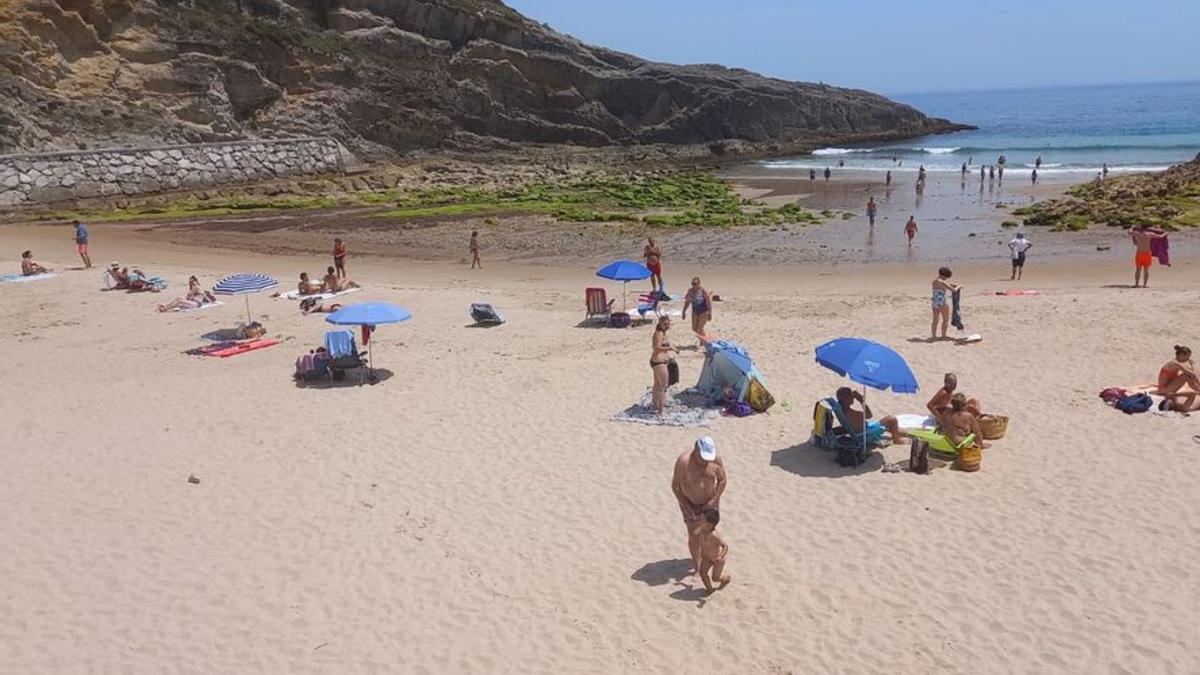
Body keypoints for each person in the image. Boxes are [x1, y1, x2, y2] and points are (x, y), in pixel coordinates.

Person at [671, 436, 727, 579]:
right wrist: (685, 506)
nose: (705, 462)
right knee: (694, 535)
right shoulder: (684, 462)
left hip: (710, 501)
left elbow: (722, 480)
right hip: (690, 503)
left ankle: (712, 558)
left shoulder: (715, 460)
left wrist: (714, 500)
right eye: (703, 458)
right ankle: (697, 566)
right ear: (696, 449)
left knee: (709, 533)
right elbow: (675, 486)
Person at [835, 386, 906, 444]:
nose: (853, 397)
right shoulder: (852, 414)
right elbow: (869, 415)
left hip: (860, 432)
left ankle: (902, 434)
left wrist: (852, 396)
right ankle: (897, 440)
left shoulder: (841, 410)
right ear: (847, 398)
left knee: (887, 424)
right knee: (892, 419)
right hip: (865, 435)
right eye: (851, 396)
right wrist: (861, 400)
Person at [693, 509, 731, 593]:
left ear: (709, 525)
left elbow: (725, 546)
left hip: (717, 560)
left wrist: (720, 556)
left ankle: (726, 579)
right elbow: (697, 532)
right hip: (707, 558)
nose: (699, 520)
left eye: (702, 520)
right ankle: (709, 589)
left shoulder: (714, 535)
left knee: (715, 578)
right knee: (702, 573)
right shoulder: (702, 530)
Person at [1157, 345, 1199, 410]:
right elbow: (1193, 374)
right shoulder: (1174, 364)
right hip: (1164, 389)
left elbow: (1193, 376)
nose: (1188, 359)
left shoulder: (1177, 363)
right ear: (1181, 355)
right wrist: (1192, 365)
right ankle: (1198, 390)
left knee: (1188, 376)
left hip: (1168, 387)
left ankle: (1198, 389)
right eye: (1187, 356)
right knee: (1186, 376)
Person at [650, 316, 676, 415]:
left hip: (658, 362)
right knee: (663, 386)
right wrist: (671, 348)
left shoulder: (661, 333)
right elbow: (657, 348)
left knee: (657, 384)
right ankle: (661, 409)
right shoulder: (659, 334)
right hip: (659, 362)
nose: (667, 326)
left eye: (668, 324)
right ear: (660, 324)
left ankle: (655, 405)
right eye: (665, 324)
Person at [1131, 223, 1167, 288]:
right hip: (1147, 253)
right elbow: (1160, 236)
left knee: (1138, 270)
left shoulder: (1136, 233)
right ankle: (1144, 285)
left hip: (1139, 253)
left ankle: (1136, 284)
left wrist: (1131, 227)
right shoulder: (1150, 234)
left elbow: (1129, 232)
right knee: (1146, 270)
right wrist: (1165, 233)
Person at [930, 267, 960, 340]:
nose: (946, 279)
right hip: (942, 302)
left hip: (935, 302)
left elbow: (946, 286)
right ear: (944, 275)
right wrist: (959, 286)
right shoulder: (943, 282)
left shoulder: (934, 281)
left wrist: (949, 285)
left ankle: (934, 336)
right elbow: (954, 290)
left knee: (935, 320)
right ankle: (943, 336)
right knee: (945, 319)